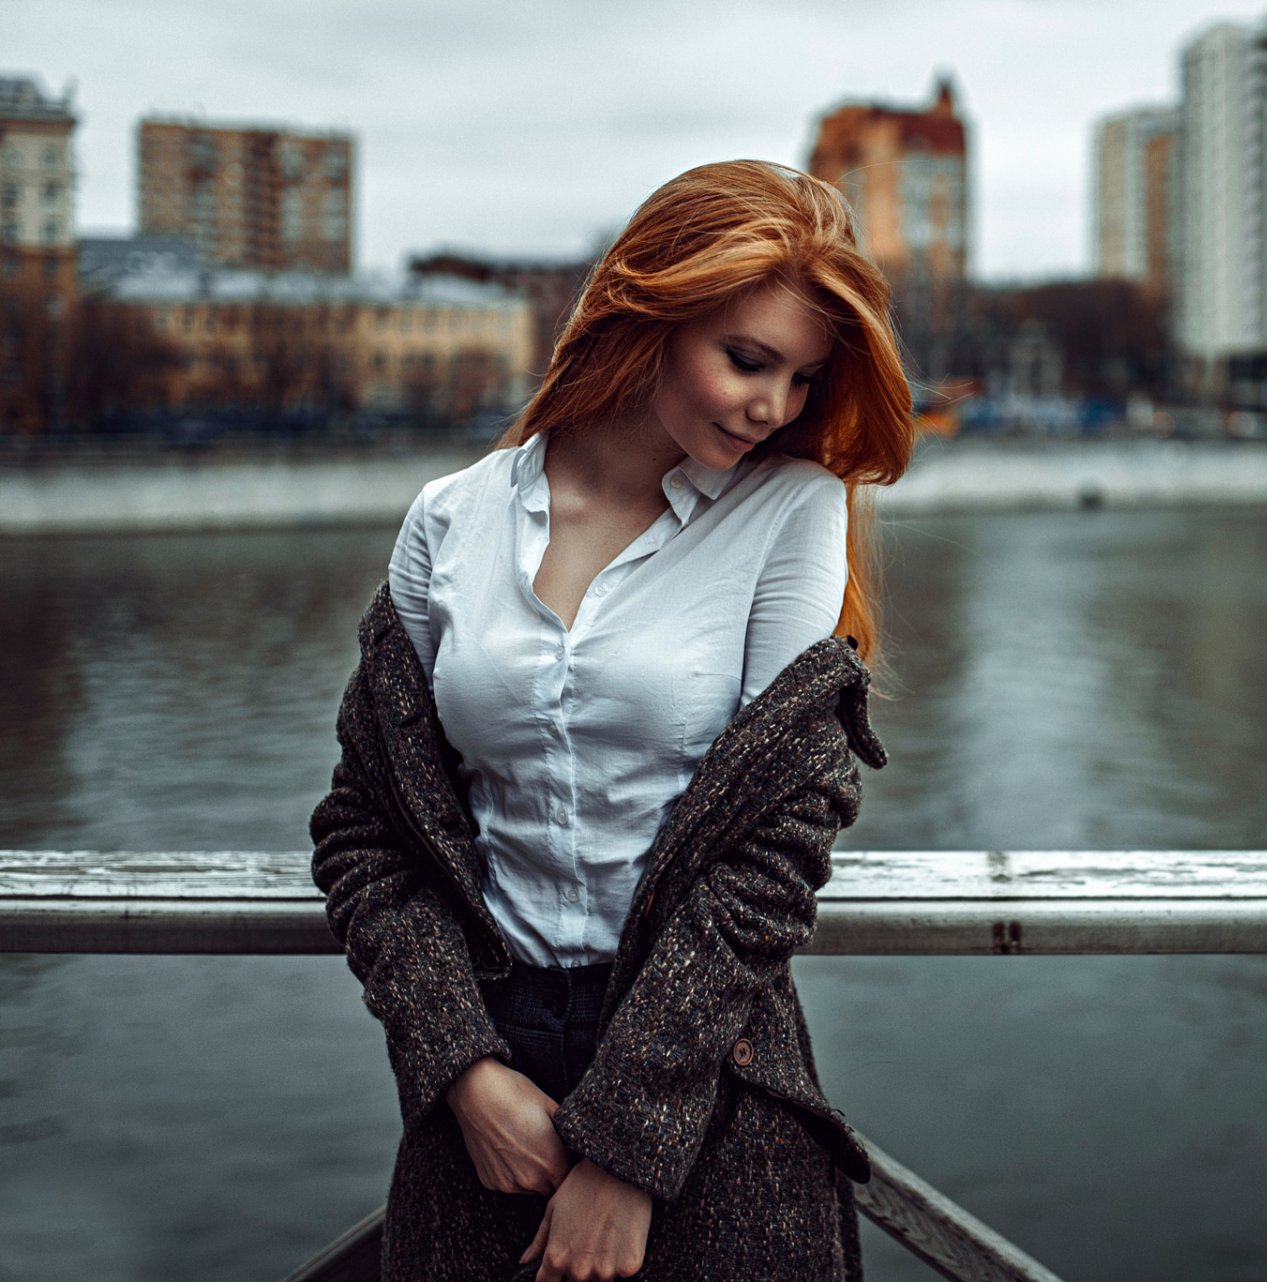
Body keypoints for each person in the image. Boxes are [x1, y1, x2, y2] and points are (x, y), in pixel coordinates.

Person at [310, 159, 915, 1282]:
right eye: (747, 359)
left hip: (714, 1082)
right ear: (648, 311)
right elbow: (365, 828)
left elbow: (777, 846)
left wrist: (630, 1148)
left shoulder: (793, 513)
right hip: (488, 1098)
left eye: (800, 378)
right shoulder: (452, 519)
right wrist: (460, 1068)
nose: (774, 407)